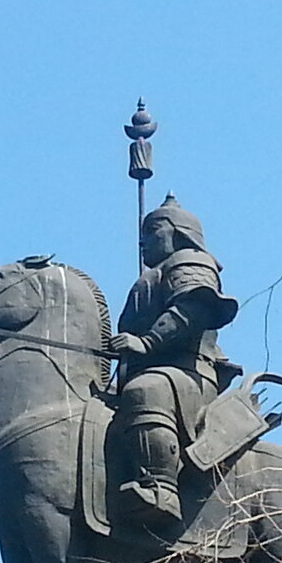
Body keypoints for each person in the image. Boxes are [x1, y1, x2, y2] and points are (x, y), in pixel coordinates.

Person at [108, 193, 239, 524]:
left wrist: (147, 343)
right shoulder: (153, 275)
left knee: (145, 391)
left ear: (178, 232)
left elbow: (192, 308)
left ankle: (160, 487)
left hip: (187, 373)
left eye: (152, 231)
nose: (143, 241)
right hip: (148, 368)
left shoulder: (191, 262)